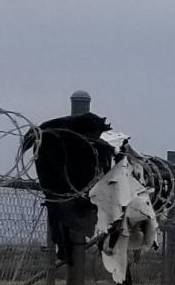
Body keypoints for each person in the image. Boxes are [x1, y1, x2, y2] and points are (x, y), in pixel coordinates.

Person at [28, 91, 113, 259]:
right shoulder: (56, 136)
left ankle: (69, 250)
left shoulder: (85, 143)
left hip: (69, 191)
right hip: (62, 188)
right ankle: (68, 251)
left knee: (64, 213)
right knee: (61, 214)